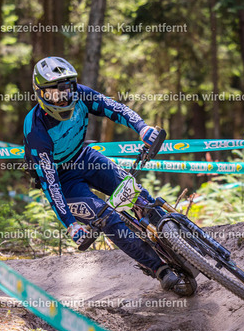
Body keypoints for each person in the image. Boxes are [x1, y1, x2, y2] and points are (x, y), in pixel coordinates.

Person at [23, 56, 191, 296]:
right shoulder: (36, 129)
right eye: (54, 93)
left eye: (66, 89)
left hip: (84, 157)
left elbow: (113, 107)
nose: (63, 97)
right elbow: (50, 184)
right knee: (108, 219)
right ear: (40, 94)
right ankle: (159, 268)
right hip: (62, 180)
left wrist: (142, 127)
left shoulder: (80, 94)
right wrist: (70, 225)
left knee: (135, 194)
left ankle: (180, 239)